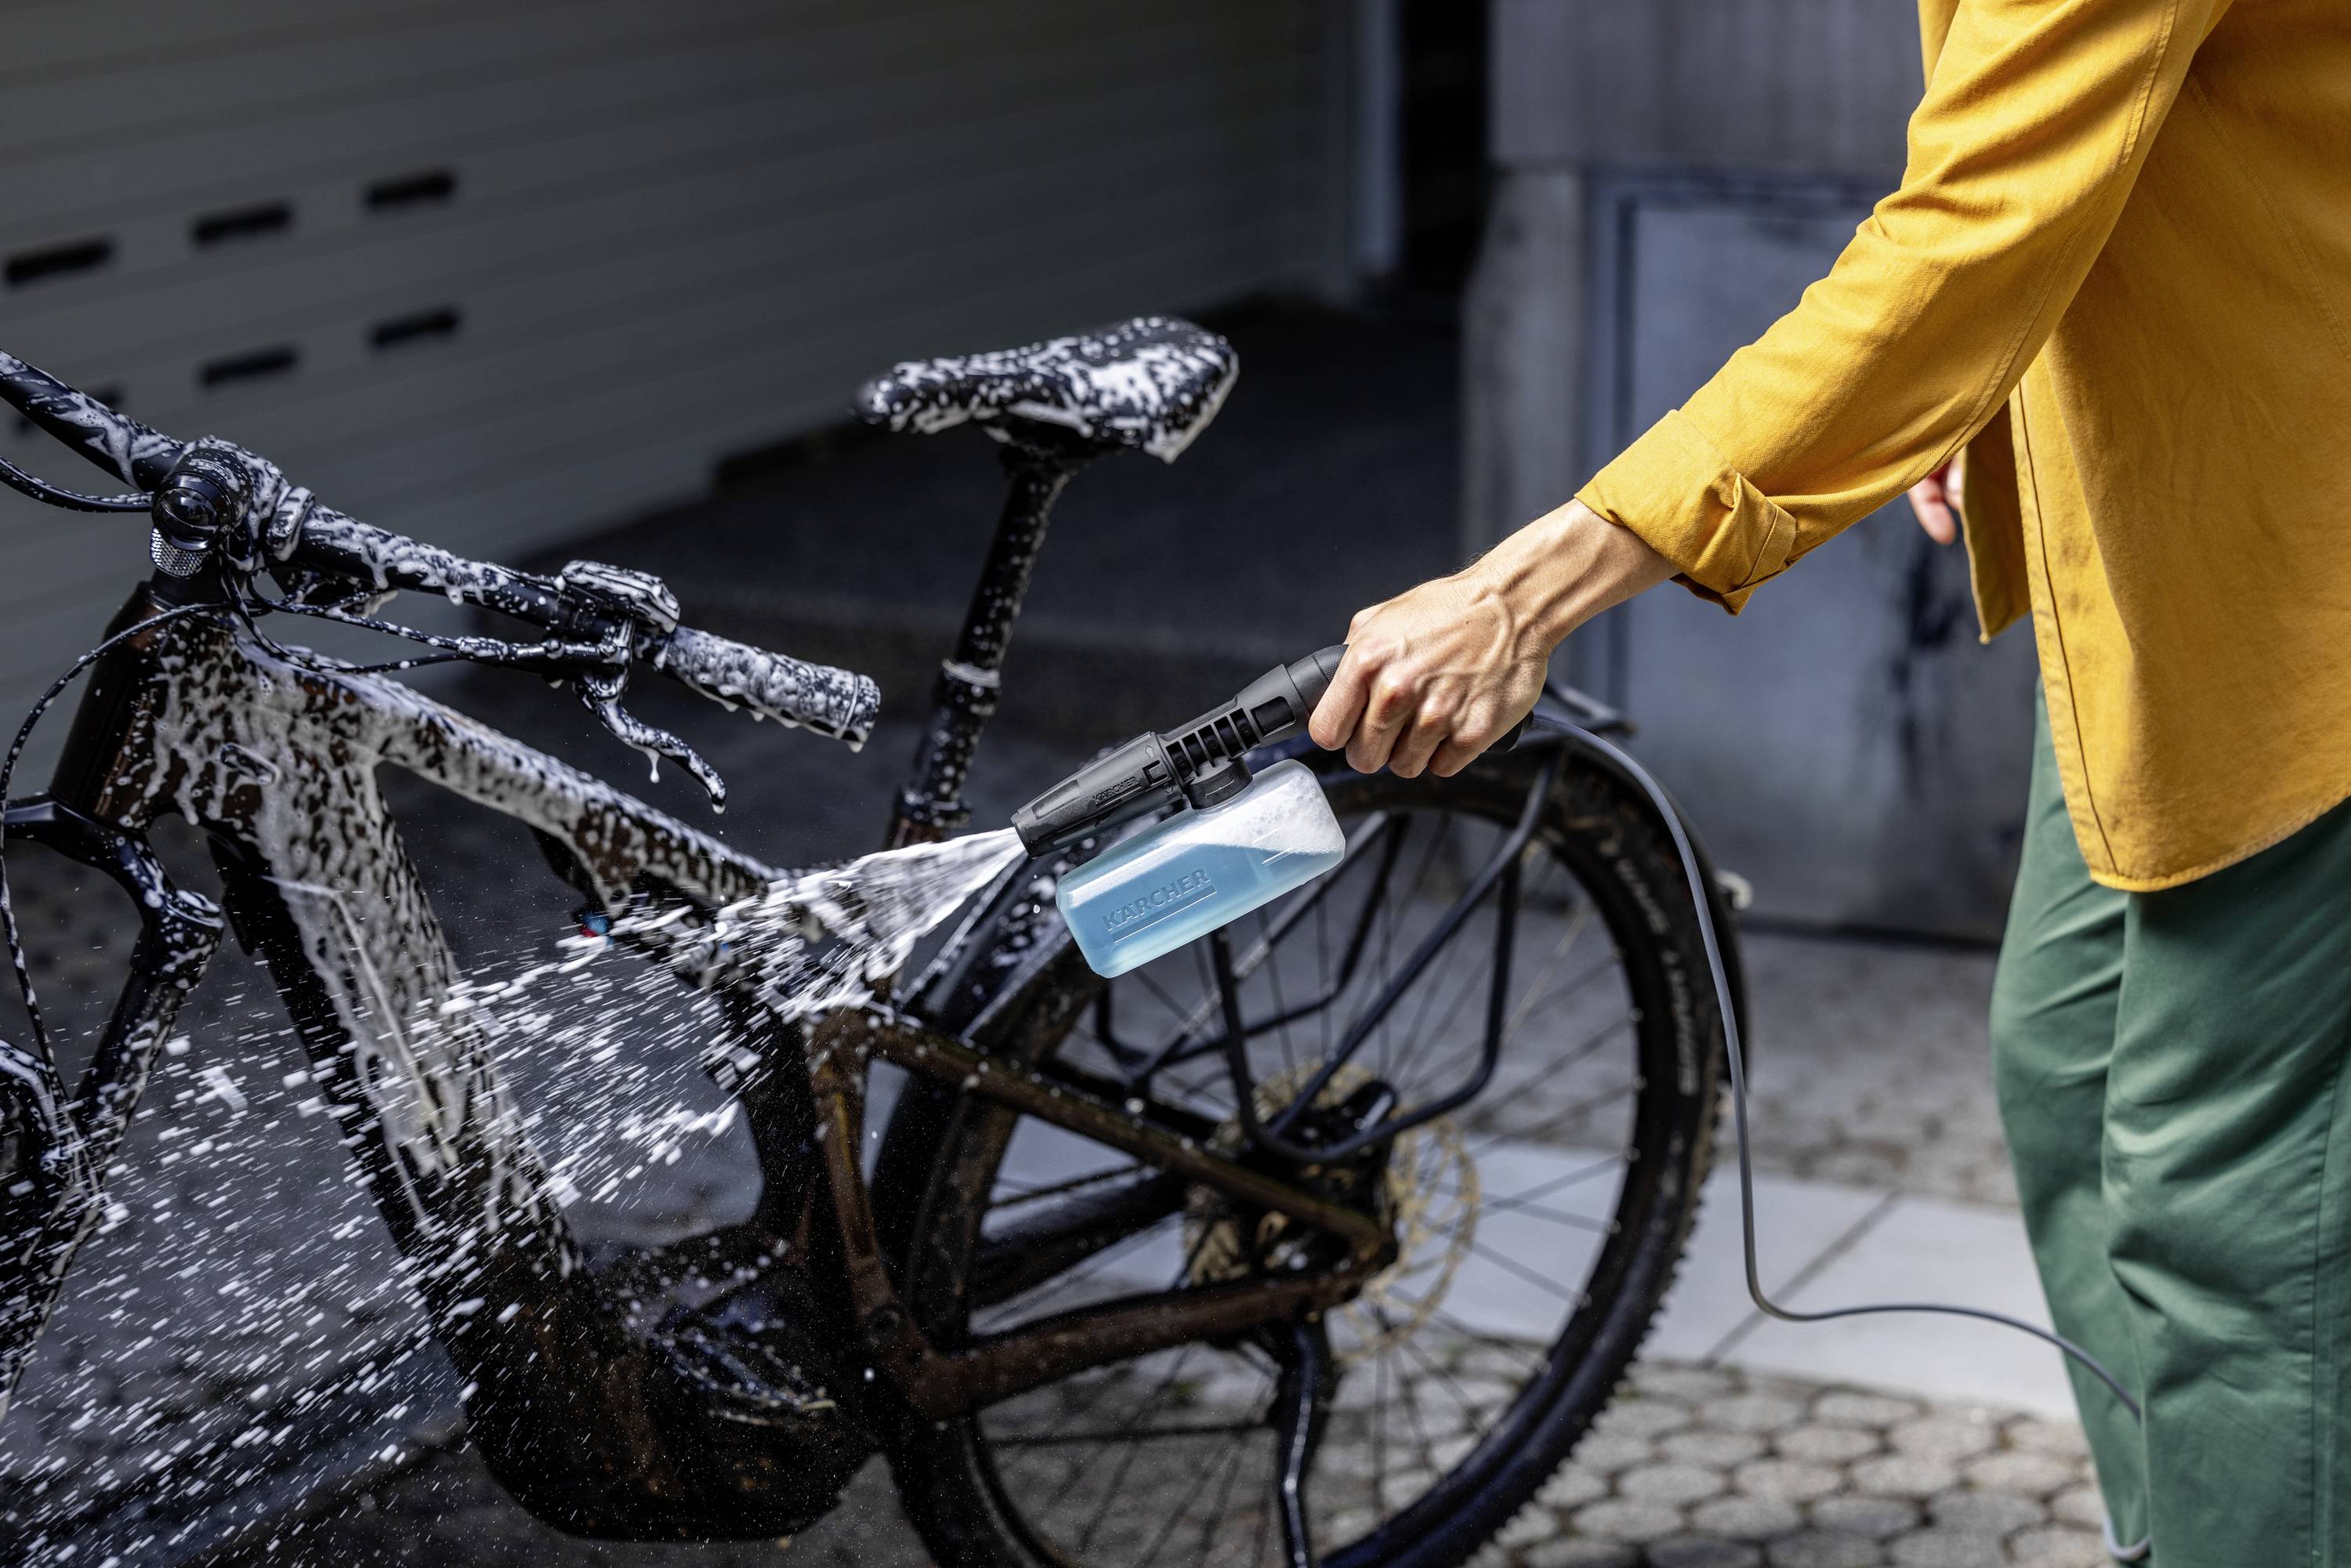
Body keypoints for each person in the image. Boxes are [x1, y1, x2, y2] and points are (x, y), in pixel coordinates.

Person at [1307, 0, 2349, 1561]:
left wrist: (1524, 591)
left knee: (2225, 1201)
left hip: (2303, 577)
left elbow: (1974, 222)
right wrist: (1990, 377)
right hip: (2180, 549)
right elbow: (2080, 138)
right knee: (2065, 1070)